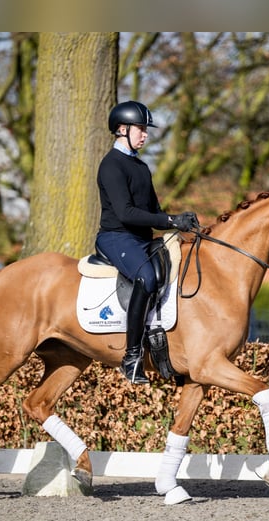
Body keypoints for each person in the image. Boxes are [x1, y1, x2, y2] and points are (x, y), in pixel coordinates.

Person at [95, 101, 198, 384]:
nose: (145, 135)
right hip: (115, 237)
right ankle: (131, 357)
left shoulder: (141, 167)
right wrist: (170, 222)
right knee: (148, 278)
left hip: (140, 239)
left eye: (145, 130)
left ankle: (167, 351)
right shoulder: (111, 165)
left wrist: (179, 220)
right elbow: (126, 213)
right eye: (141, 129)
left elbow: (153, 214)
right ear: (122, 129)